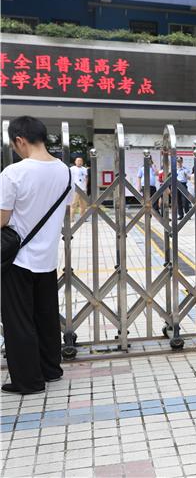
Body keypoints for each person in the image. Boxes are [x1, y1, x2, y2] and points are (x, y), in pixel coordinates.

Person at [1, 116, 74, 395]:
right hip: (47, 257)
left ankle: (28, 381)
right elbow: (64, 207)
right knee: (45, 316)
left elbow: (2, 219)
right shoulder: (65, 172)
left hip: (18, 259)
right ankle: (50, 369)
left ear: (20, 140)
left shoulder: (14, 173)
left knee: (19, 321)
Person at [69, 156, 89, 221]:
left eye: (81, 161)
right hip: (75, 189)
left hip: (83, 189)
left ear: (82, 162)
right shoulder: (72, 169)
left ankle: (83, 217)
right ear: (75, 162)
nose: (79, 162)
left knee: (83, 205)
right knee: (73, 203)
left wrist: (86, 186)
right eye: (78, 161)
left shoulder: (84, 169)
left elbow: (86, 178)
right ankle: (71, 218)